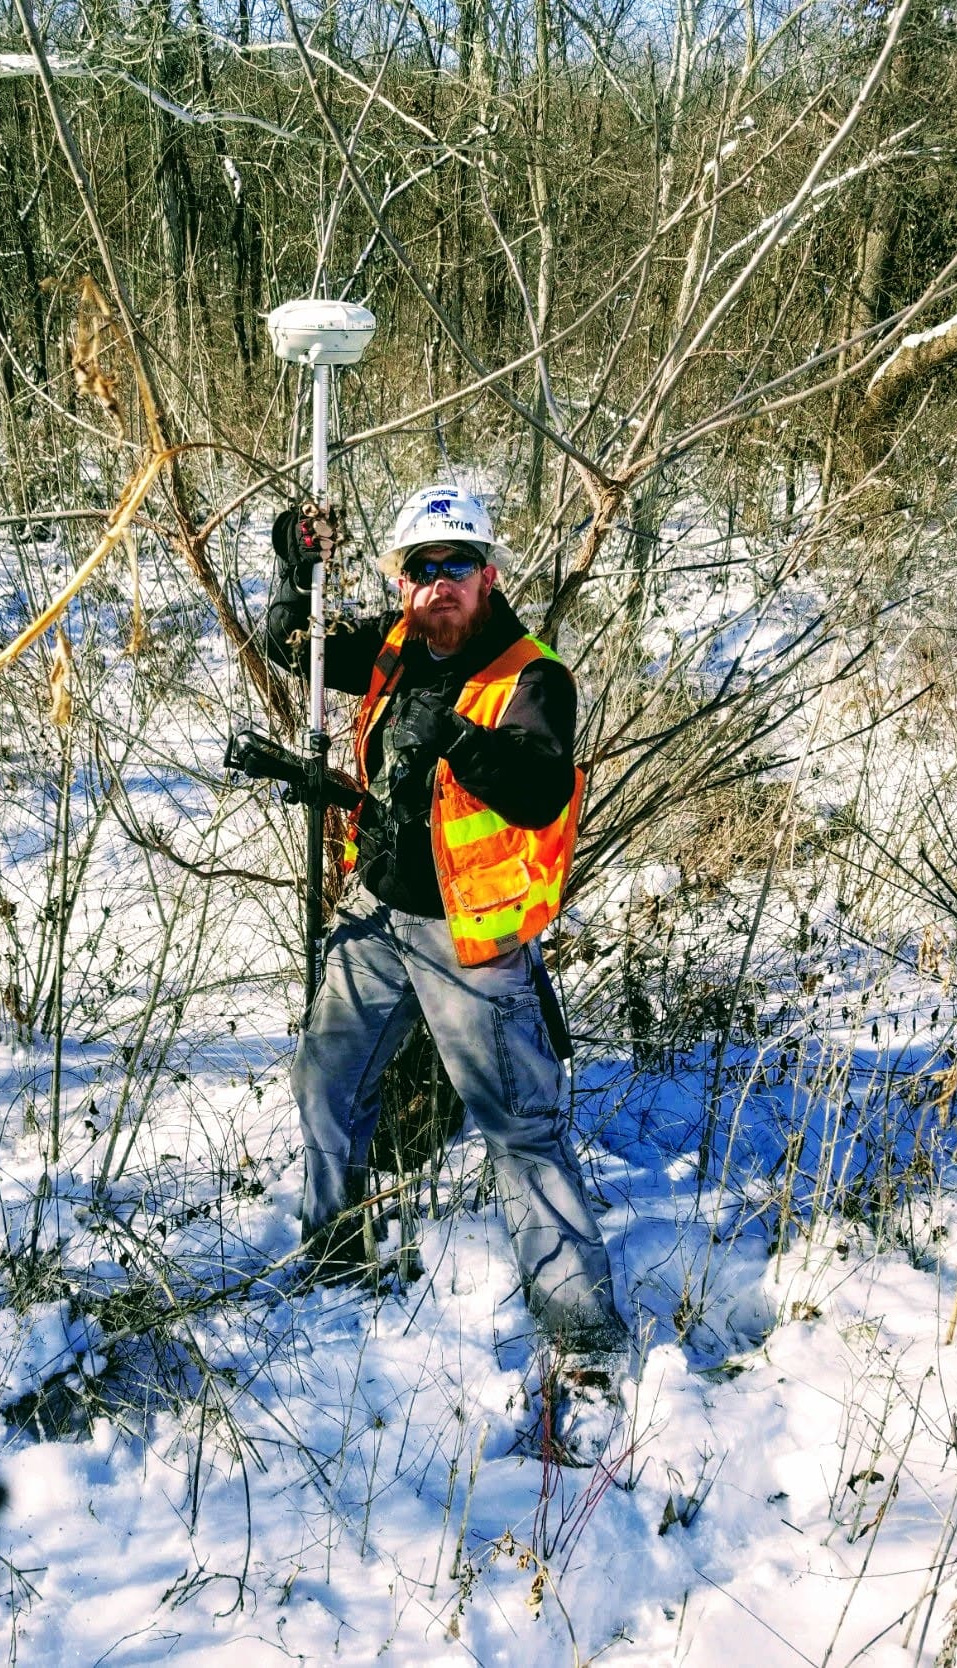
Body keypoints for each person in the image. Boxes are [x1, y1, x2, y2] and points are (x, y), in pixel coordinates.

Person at [265, 483, 627, 1373]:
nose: (440, 584)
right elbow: (293, 645)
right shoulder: (394, 645)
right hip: (378, 910)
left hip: (472, 937)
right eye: (422, 568)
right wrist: (292, 564)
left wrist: (458, 739)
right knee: (326, 1082)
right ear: (403, 582)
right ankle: (334, 1256)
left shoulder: (530, 675)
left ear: (487, 574)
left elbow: (540, 790)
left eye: (457, 565)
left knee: (520, 1130)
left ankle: (582, 1338)